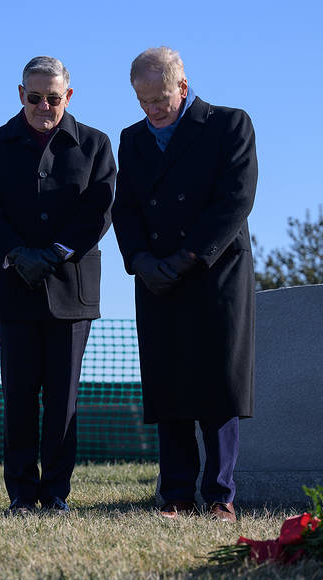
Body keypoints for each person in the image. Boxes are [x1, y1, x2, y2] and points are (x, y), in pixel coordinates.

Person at [112, 47, 258, 522]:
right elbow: (126, 207)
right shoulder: (132, 140)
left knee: (217, 386)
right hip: (157, 278)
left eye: (159, 99)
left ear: (183, 85)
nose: (152, 110)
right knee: (169, 383)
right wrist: (138, 260)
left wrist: (188, 255)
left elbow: (235, 199)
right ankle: (175, 493)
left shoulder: (228, 124)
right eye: (142, 101)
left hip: (214, 274)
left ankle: (220, 496)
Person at [0, 56, 116, 513]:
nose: (44, 106)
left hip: (71, 290)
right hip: (15, 287)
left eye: (53, 98)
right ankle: (20, 493)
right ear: (21, 95)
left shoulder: (95, 144)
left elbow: (100, 208)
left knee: (62, 399)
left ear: (67, 97)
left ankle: (55, 493)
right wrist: (16, 253)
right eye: (35, 97)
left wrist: (55, 252)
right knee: (18, 396)